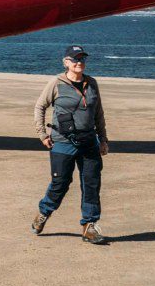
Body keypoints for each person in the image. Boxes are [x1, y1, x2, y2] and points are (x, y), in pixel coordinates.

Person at [32, 44, 109, 245]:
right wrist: (42, 134)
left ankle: (89, 225)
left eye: (82, 59)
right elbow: (40, 107)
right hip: (62, 142)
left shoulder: (92, 83)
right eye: (75, 59)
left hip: (89, 142)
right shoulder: (56, 83)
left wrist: (103, 139)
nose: (79, 62)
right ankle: (44, 212)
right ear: (66, 62)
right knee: (61, 183)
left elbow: (98, 113)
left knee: (91, 183)